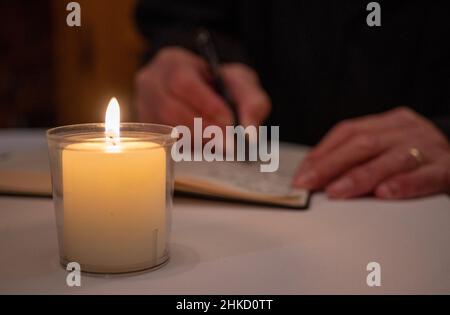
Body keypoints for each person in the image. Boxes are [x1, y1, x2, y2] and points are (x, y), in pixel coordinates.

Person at [134, 0, 450, 199]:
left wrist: (445, 133)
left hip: (418, 210)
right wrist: (177, 52)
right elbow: (180, 17)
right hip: (240, 169)